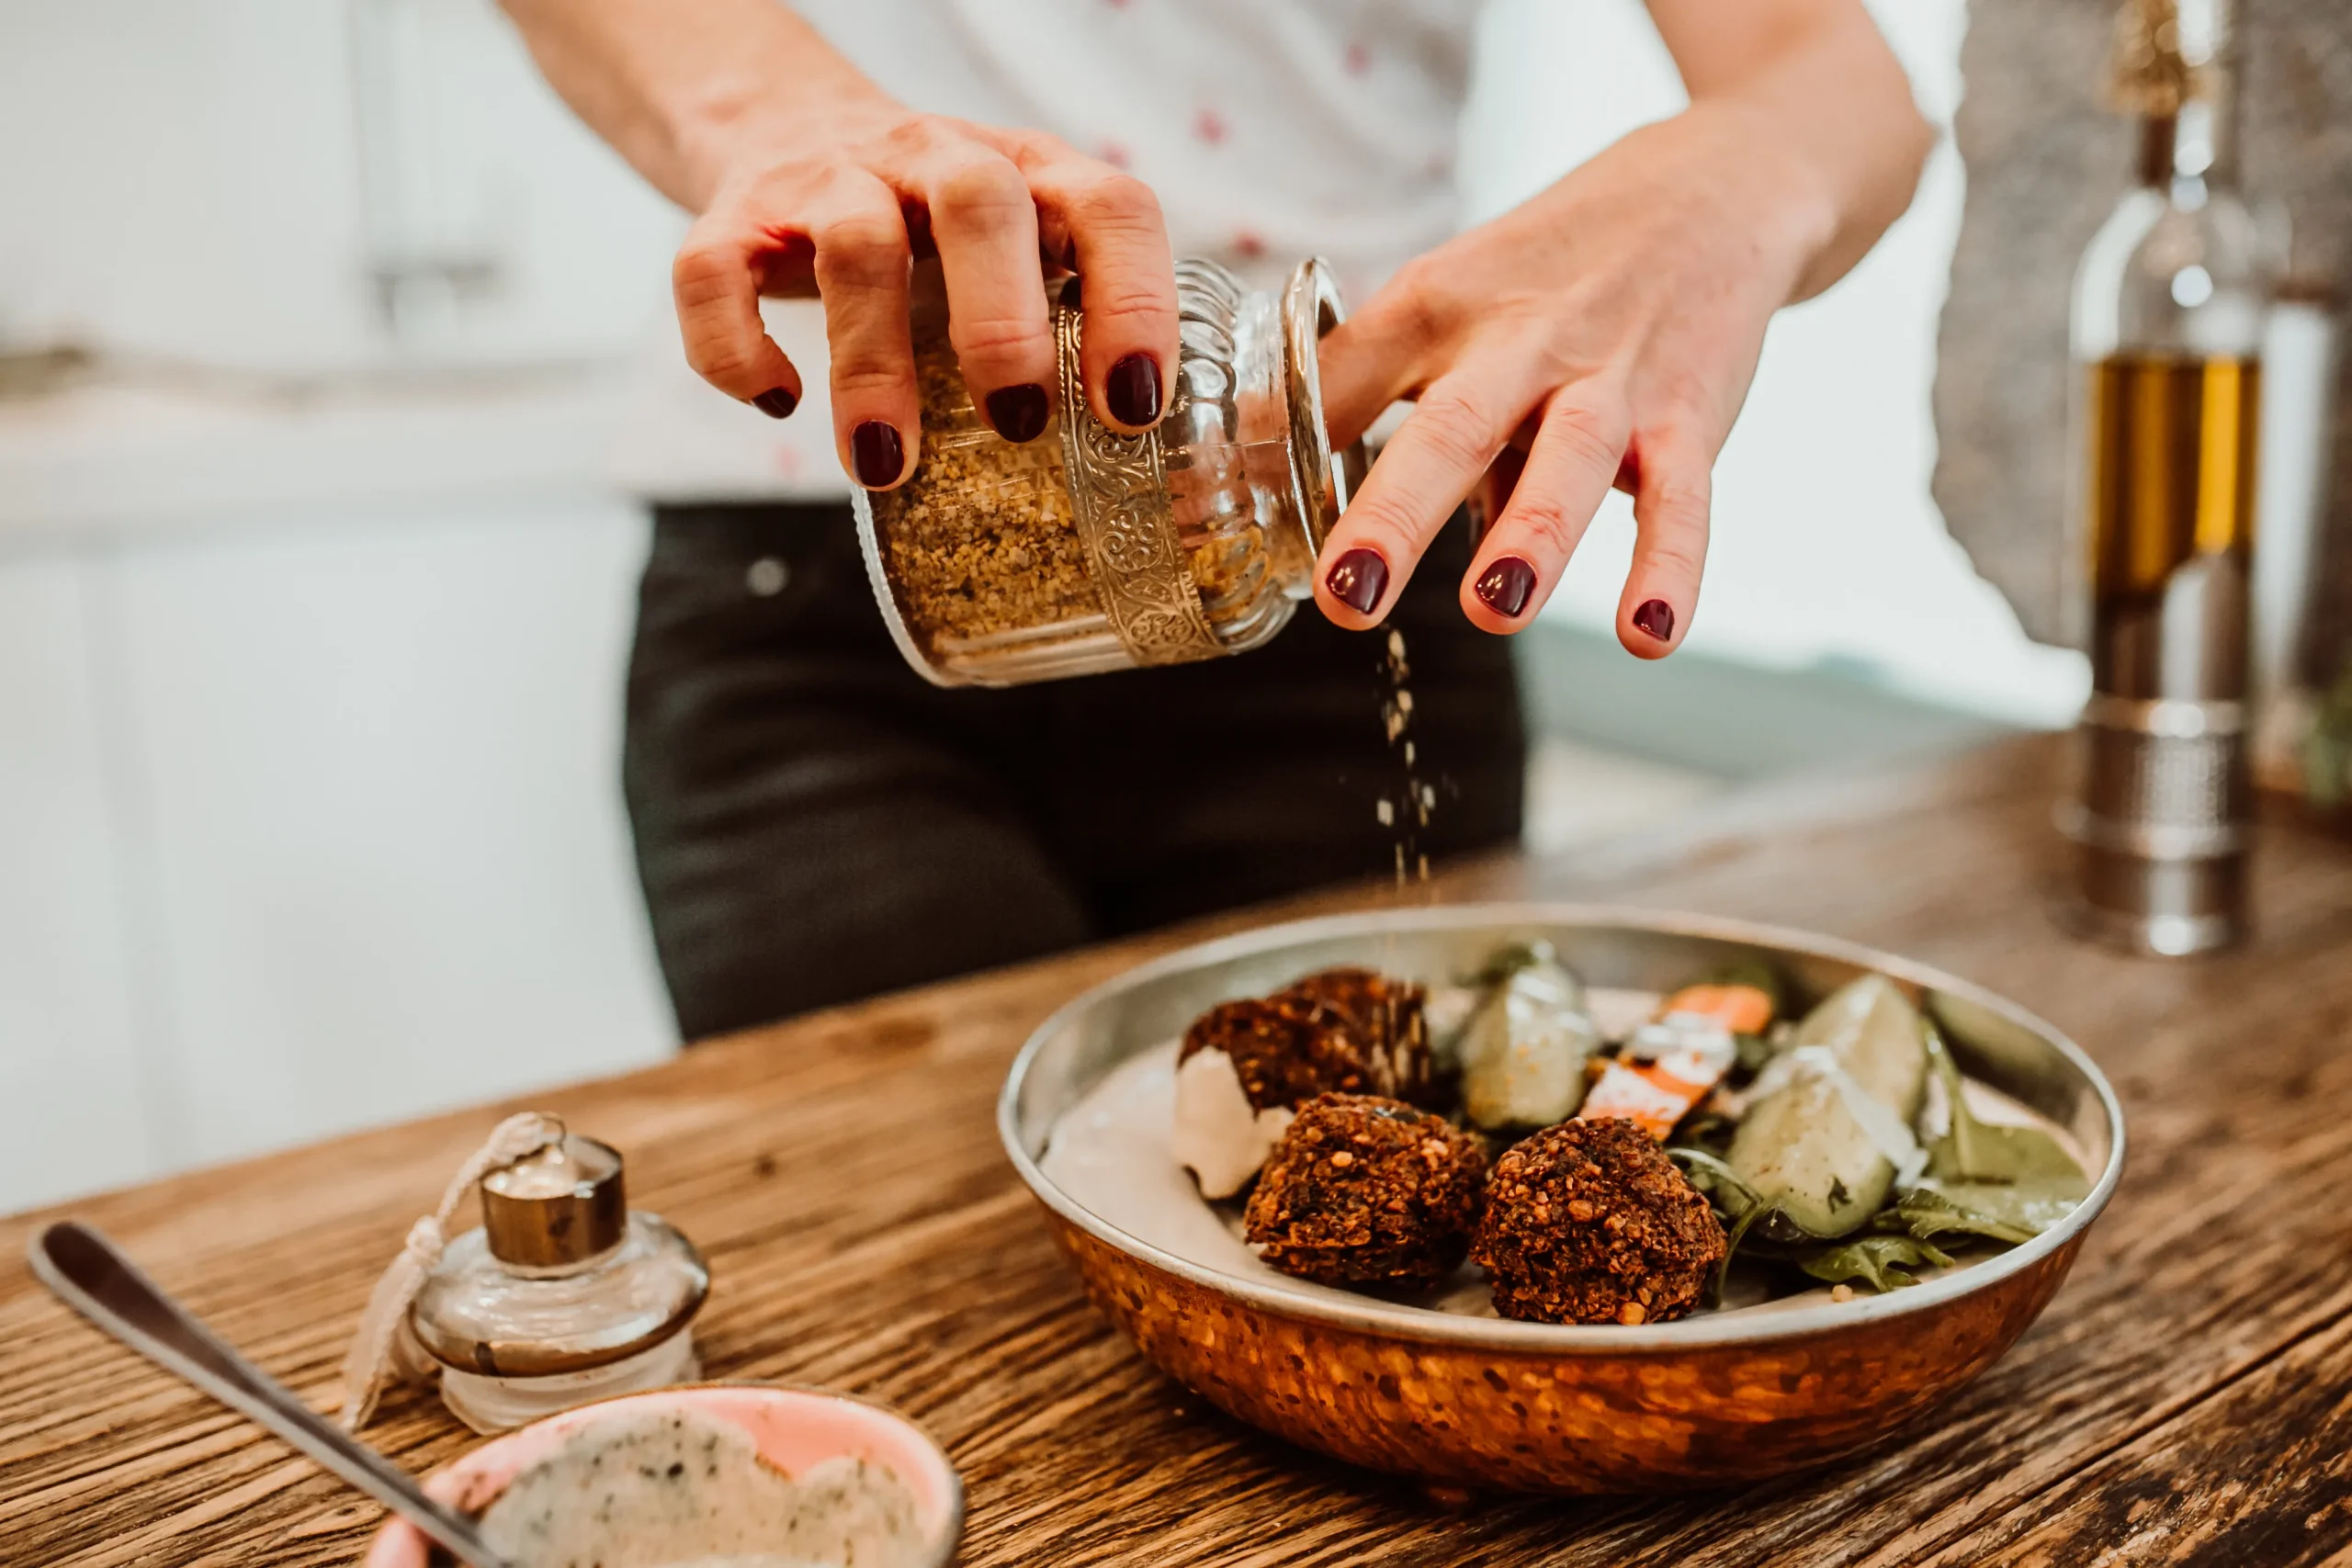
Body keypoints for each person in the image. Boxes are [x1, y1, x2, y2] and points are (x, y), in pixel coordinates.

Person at [497, 0, 1932, 1040]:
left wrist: (1730, 186)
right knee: (889, 1261)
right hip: (822, 567)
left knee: (1367, 1231)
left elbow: (1837, 76)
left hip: (1335, 544)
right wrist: (784, 125)